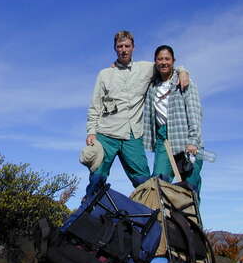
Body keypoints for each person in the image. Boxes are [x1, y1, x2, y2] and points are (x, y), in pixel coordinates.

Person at [84, 31, 189, 197]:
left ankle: (152, 216)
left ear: (133, 48)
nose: (124, 49)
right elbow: (95, 106)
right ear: (115, 49)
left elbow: (166, 66)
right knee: (96, 178)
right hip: (106, 134)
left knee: (144, 183)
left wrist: (183, 71)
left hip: (132, 135)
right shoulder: (105, 74)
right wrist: (91, 131)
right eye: (120, 46)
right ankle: (87, 214)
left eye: (127, 46)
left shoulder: (145, 68)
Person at [143, 45, 204, 197]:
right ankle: (164, 220)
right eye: (160, 59)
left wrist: (193, 141)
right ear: (155, 62)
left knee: (190, 187)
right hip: (163, 140)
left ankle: (192, 221)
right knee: (158, 183)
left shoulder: (184, 82)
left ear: (173, 61)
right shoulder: (152, 86)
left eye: (167, 59)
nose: (164, 62)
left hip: (185, 138)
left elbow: (195, 112)